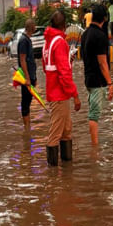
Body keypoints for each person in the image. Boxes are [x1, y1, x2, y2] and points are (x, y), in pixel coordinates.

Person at [43, 10, 81, 166]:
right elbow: (64, 74)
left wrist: (68, 59)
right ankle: (53, 177)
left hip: (57, 94)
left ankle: (66, 170)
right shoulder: (59, 42)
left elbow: (48, 68)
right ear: (64, 26)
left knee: (66, 131)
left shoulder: (49, 42)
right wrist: (76, 96)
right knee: (56, 133)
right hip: (60, 95)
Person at [80, 5, 113, 146]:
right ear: (104, 19)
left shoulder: (85, 34)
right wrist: (110, 83)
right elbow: (102, 63)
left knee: (94, 112)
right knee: (94, 115)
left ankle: (96, 141)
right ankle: (95, 147)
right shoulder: (100, 36)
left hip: (88, 79)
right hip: (97, 81)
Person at [16, 19, 38, 132]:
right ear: (31, 27)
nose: (36, 28)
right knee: (25, 102)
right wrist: (28, 78)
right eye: (34, 26)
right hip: (26, 78)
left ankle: (28, 126)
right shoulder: (24, 40)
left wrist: (34, 77)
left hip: (31, 76)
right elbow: (23, 60)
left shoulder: (27, 39)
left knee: (28, 101)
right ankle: (27, 128)